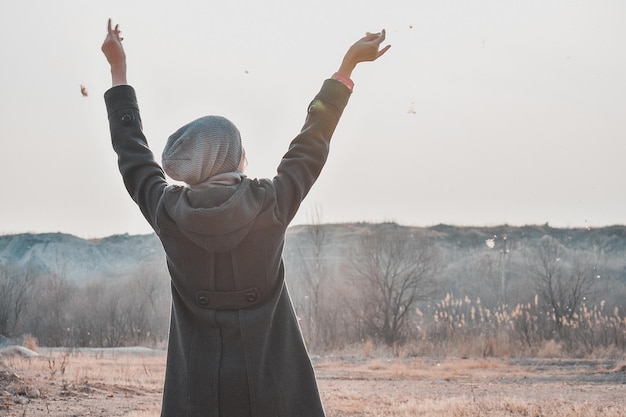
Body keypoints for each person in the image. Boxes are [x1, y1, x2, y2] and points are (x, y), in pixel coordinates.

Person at [101, 18, 389, 417]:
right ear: (230, 157)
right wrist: (347, 68)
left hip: (197, 399)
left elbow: (132, 155)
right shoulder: (269, 204)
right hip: (275, 394)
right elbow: (313, 140)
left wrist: (118, 71)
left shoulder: (168, 212)